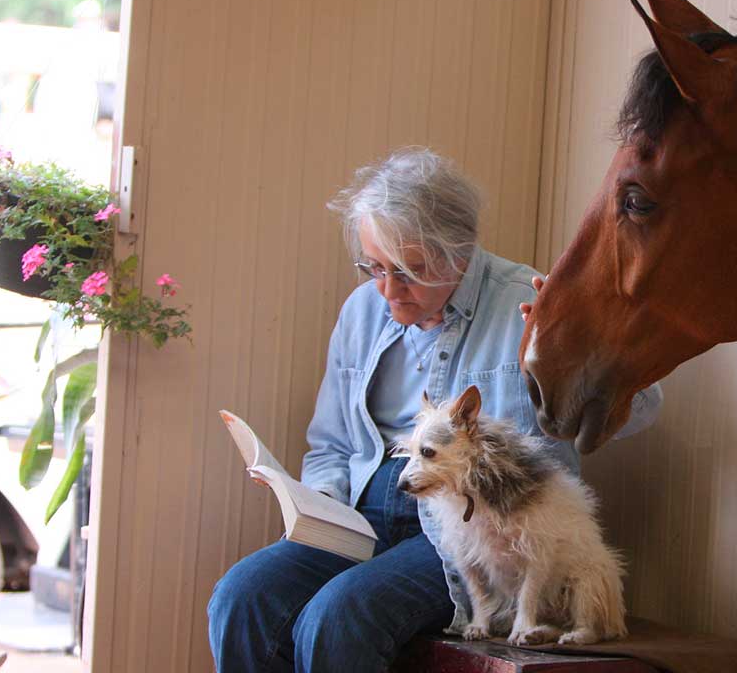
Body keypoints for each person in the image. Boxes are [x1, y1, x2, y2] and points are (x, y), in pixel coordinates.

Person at [207, 147, 663, 672]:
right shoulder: (363, 311)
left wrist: (585, 345)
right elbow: (331, 444)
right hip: (361, 515)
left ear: (460, 253)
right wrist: (322, 509)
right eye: (374, 267)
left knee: (338, 617)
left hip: (478, 529)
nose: (387, 290)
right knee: (240, 598)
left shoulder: (528, 303)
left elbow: (645, 410)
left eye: (409, 271)